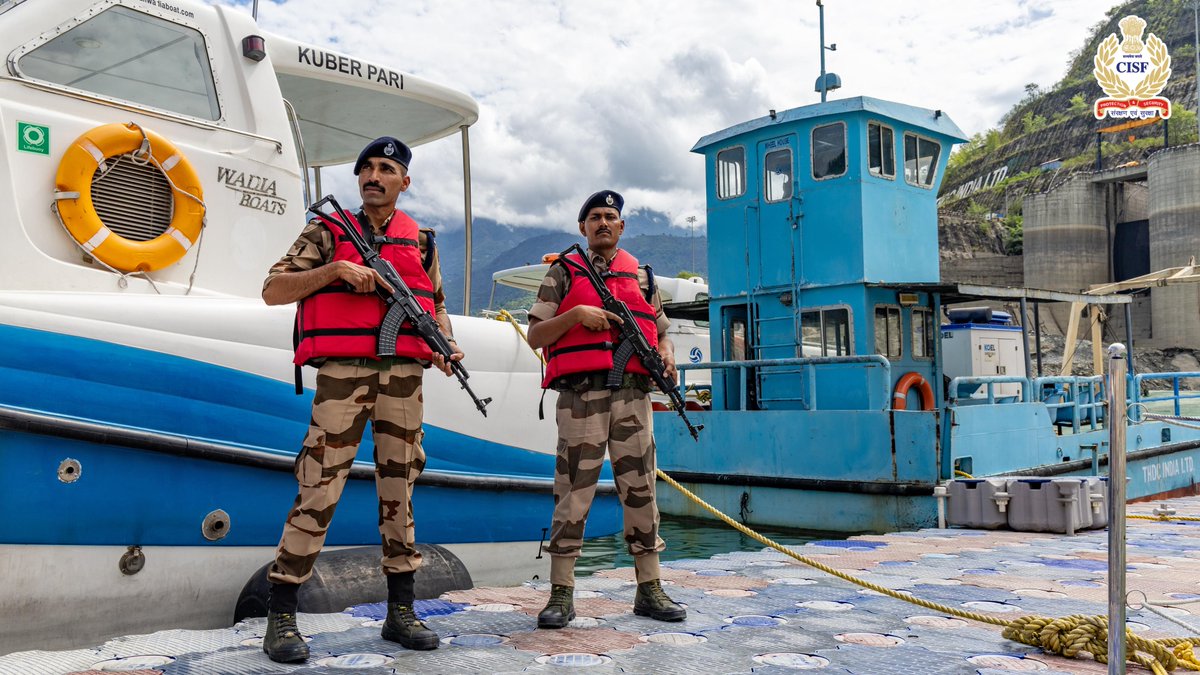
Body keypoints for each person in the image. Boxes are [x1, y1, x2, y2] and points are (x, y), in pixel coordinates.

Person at [259, 136, 463, 663]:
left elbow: (433, 302)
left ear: (404, 181)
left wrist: (443, 342)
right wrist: (334, 271)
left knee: (400, 489)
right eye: (367, 168)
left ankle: (400, 612)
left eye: (386, 168)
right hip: (344, 375)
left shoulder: (421, 241)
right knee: (319, 485)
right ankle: (281, 616)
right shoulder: (328, 231)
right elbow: (274, 289)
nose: (374, 175)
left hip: (403, 378)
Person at [525, 189, 687, 629]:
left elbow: (660, 330)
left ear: (621, 226)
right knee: (573, 492)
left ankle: (649, 588)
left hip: (633, 396)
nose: (602, 223)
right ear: (583, 227)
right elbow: (536, 336)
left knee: (641, 491)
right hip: (582, 397)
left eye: (610, 217)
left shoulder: (641, 276)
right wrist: (576, 315)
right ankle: (561, 593)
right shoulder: (564, 272)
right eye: (594, 216)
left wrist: (667, 353)